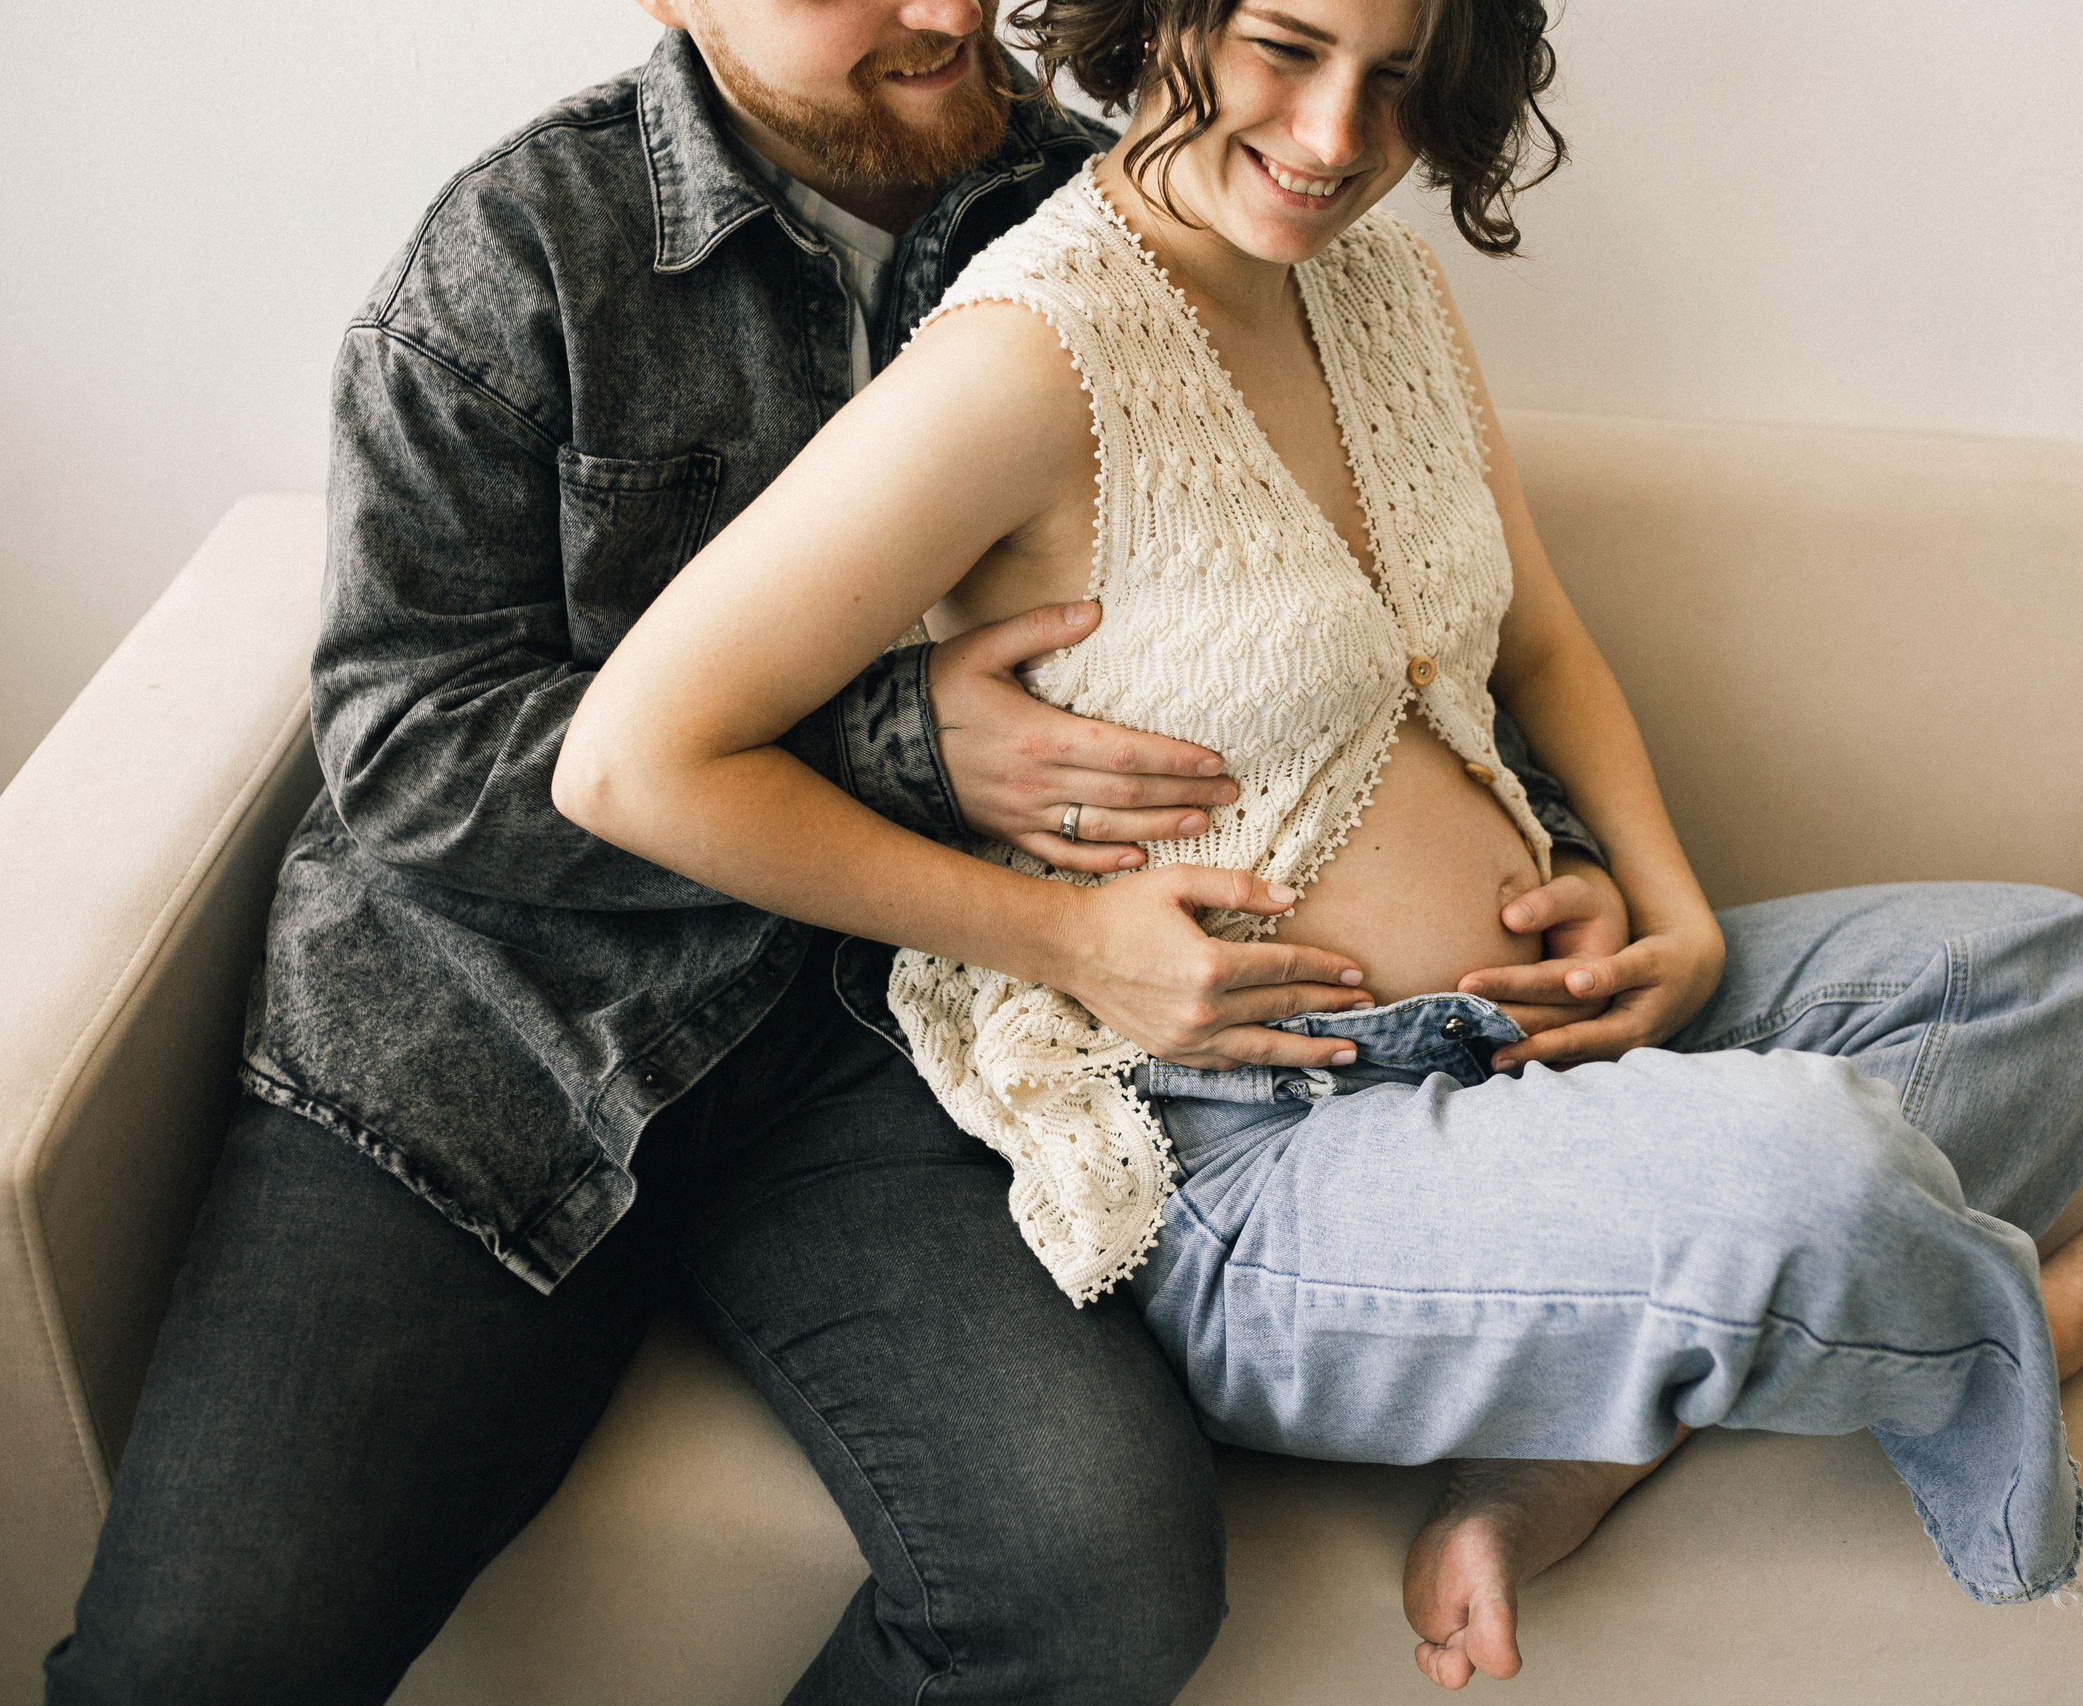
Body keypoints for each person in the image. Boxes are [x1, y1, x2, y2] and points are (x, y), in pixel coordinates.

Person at [555, 0, 2083, 1691]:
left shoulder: (1384, 291)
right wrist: (1059, 940)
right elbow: (636, 763)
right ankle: (1995, 1328)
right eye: (1286, 47)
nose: (1335, 136)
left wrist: (1669, 910)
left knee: (2047, 976)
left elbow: (1540, 647)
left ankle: (1573, 1448)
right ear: (1160, 20)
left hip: (1540, 1039)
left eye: (1398, 78)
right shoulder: (1023, 359)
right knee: (1822, 1173)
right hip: (1260, 1159)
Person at [48, 4, 1633, 1701]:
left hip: (902, 1050)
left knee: (1094, 1587)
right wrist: (900, 743)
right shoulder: (519, 254)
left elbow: (1373, 588)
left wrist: (1558, 839)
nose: (949, 10)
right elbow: (407, 748)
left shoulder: (1130, 195)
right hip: (484, 1045)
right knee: (193, 1664)